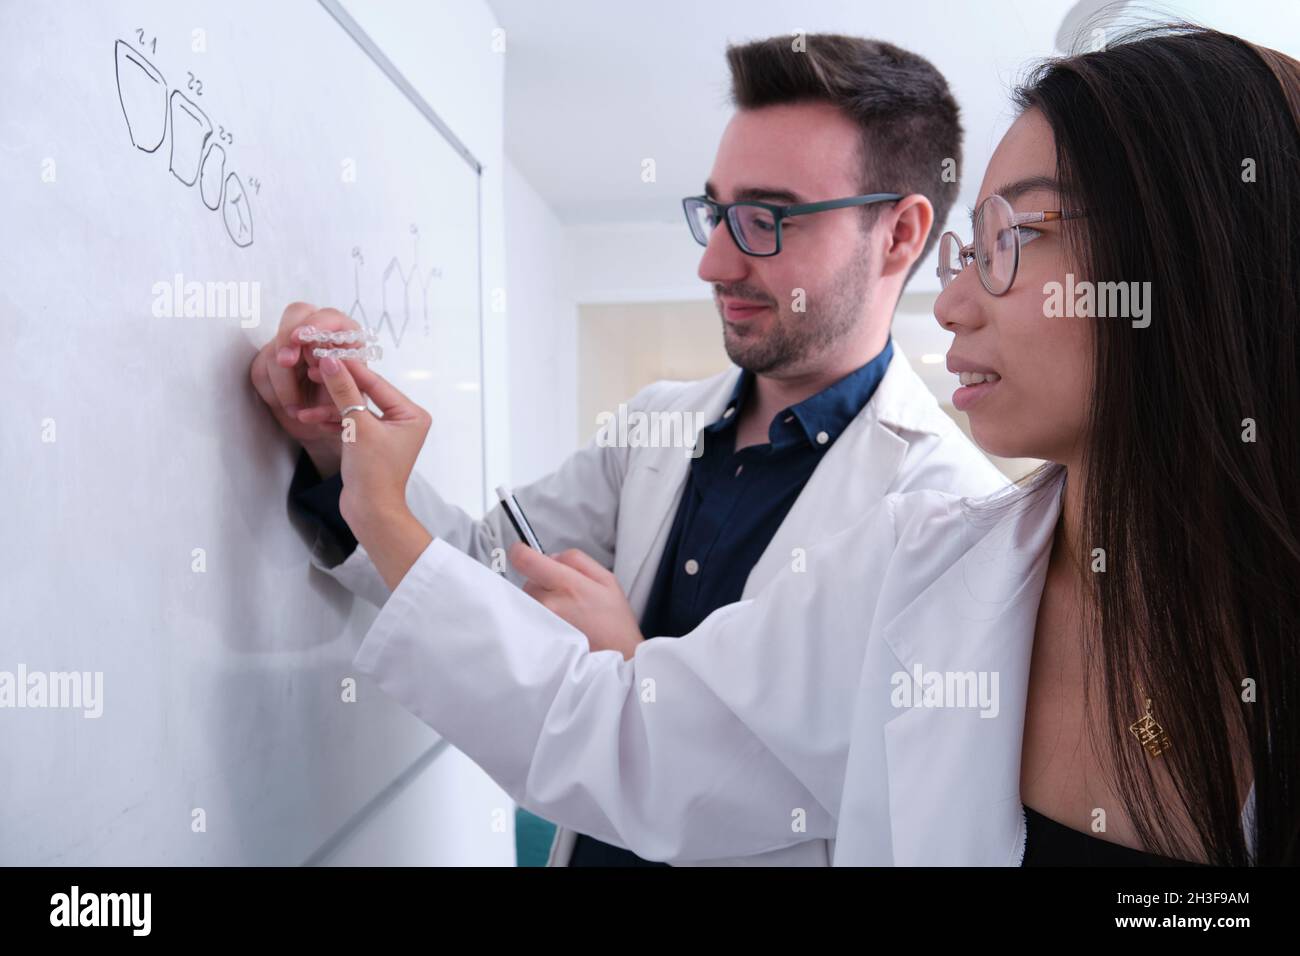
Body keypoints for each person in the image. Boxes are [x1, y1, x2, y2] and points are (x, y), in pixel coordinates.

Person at [249, 34, 1006, 866]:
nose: (713, 262)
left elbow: (744, 777)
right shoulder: (656, 428)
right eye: (716, 212)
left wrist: (636, 665)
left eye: (765, 219)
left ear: (899, 234)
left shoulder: (950, 514)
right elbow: (476, 571)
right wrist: (338, 449)